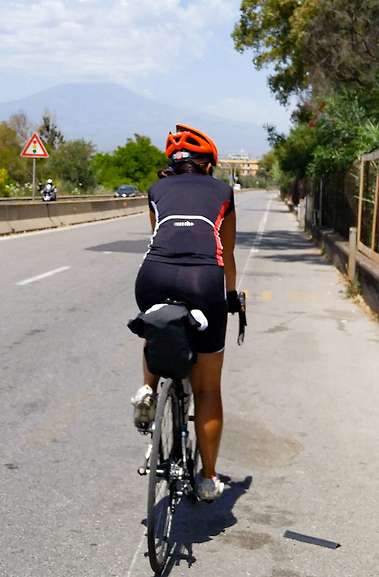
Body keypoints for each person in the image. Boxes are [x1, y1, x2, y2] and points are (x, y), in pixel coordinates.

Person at [130, 124, 239, 503]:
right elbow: (226, 254)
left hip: (153, 275)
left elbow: (158, 237)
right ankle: (207, 478)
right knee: (207, 389)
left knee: (157, 321)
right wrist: (231, 297)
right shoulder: (223, 191)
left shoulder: (156, 190)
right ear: (208, 165)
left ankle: (147, 389)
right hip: (203, 281)